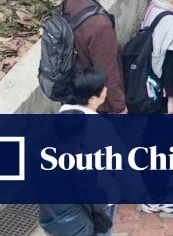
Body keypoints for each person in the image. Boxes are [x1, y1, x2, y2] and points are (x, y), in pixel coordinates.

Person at [41, 70, 117, 236]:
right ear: (93, 98)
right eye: (103, 88)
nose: (106, 90)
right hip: (88, 211)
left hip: (54, 216)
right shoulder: (99, 128)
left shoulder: (64, 114)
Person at [60, 0, 127, 113]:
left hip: (77, 86)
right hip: (97, 100)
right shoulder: (100, 25)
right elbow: (108, 70)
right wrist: (120, 107)